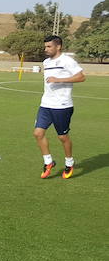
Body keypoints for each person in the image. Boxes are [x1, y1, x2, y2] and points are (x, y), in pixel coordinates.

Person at [34, 35, 85, 179]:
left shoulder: (67, 61)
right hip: (45, 104)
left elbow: (81, 77)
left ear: (58, 46)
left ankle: (69, 163)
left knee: (62, 136)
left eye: (49, 46)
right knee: (38, 133)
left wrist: (59, 79)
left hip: (62, 106)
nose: (46, 49)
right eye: (45, 47)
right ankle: (48, 162)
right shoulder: (46, 62)